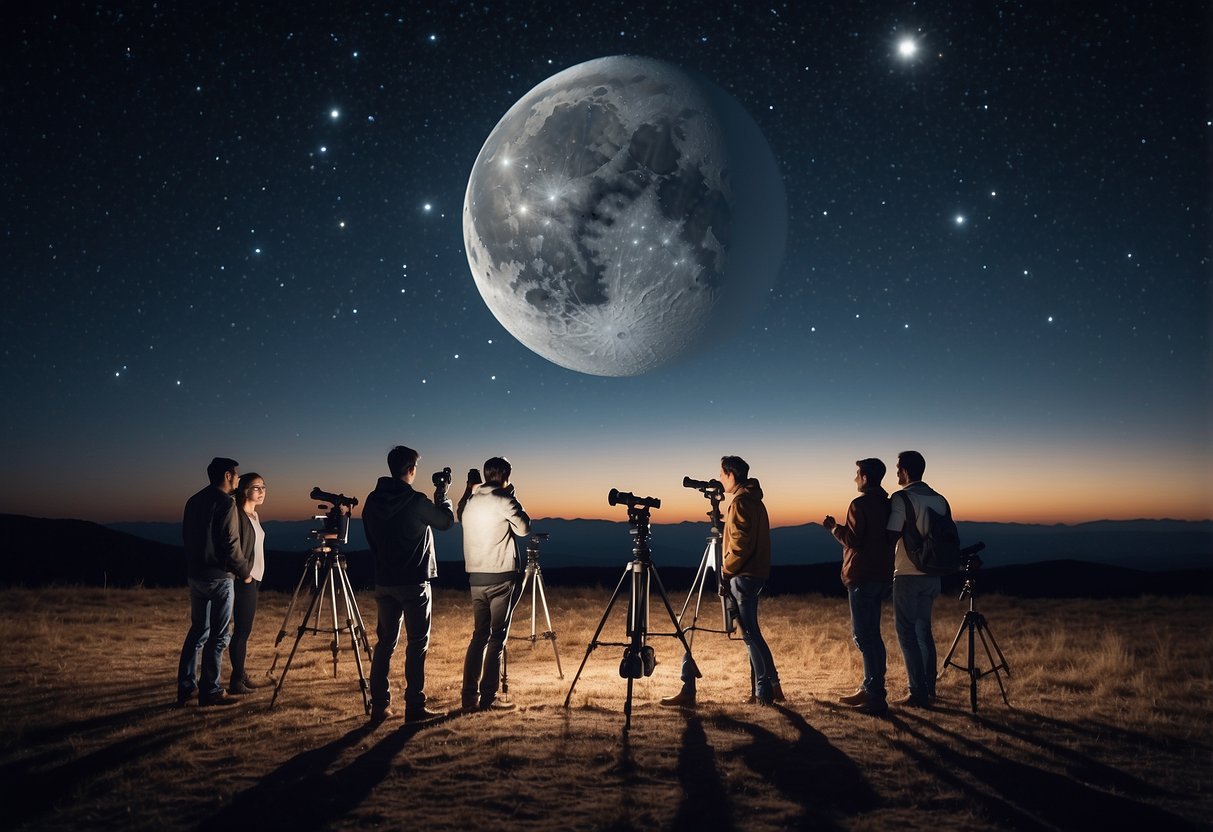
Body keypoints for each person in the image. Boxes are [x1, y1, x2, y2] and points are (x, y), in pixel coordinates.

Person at [662, 455, 782, 708]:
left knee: (750, 634)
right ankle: (771, 687)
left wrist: (725, 572)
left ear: (730, 475)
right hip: (756, 572)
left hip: (743, 574)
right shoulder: (754, 500)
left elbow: (739, 545)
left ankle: (764, 691)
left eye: (721, 474)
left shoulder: (740, 503)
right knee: (753, 634)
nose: (719, 479)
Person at [363, 445, 455, 723]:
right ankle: (414, 706)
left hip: (384, 579)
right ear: (411, 469)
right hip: (414, 581)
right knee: (417, 644)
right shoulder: (415, 500)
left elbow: (369, 534)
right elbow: (445, 522)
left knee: (385, 643)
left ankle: (380, 705)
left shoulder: (373, 500)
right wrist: (443, 497)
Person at [457, 457, 531, 712]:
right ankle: (488, 697)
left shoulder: (471, 501)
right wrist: (513, 496)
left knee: (479, 637)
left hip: (476, 577)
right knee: (496, 639)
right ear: (505, 476)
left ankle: (468, 697)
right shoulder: (504, 499)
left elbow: (459, 513)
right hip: (501, 577)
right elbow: (524, 528)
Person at [177, 456, 250, 707]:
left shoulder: (194, 500)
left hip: (196, 575)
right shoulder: (225, 503)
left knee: (198, 631)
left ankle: (187, 688)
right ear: (228, 476)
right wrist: (244, 570)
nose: (239, 479)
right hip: (219, 577)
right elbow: (231, 543)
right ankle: (211, 690)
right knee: (219, 636)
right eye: (237, 475)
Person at [823, 458, 894, 715]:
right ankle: (869, 687)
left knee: (864, 636)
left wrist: (833, 528)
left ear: (865, 477)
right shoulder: (889, 505)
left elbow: (853, 540)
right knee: (872, 634)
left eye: (857, 474)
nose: (855, 478)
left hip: (862, 575)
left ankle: (875, 694)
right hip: (883, 575)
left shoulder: (859, 504)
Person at [886, 450, 950, 708]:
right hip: (933, 574)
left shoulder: (901, 498)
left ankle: (916, 692)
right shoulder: (940, 499)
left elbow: (891, 534)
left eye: (898, 467)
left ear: (905, 470)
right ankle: (929, 689)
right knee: (925, 631)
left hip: (908, 573)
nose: (896, 472)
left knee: (906, 632)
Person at [228, 472, 271, 695]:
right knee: (242, 631)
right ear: (245, 490)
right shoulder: (238, 514)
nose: (262, 491)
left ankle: (240, 675)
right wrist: (245, 575)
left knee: (245, 630)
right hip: (245, 578)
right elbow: (233, 547)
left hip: (255, 578)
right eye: (257, 487)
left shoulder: (254, 515)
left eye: (264, 487)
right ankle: (236, 681)